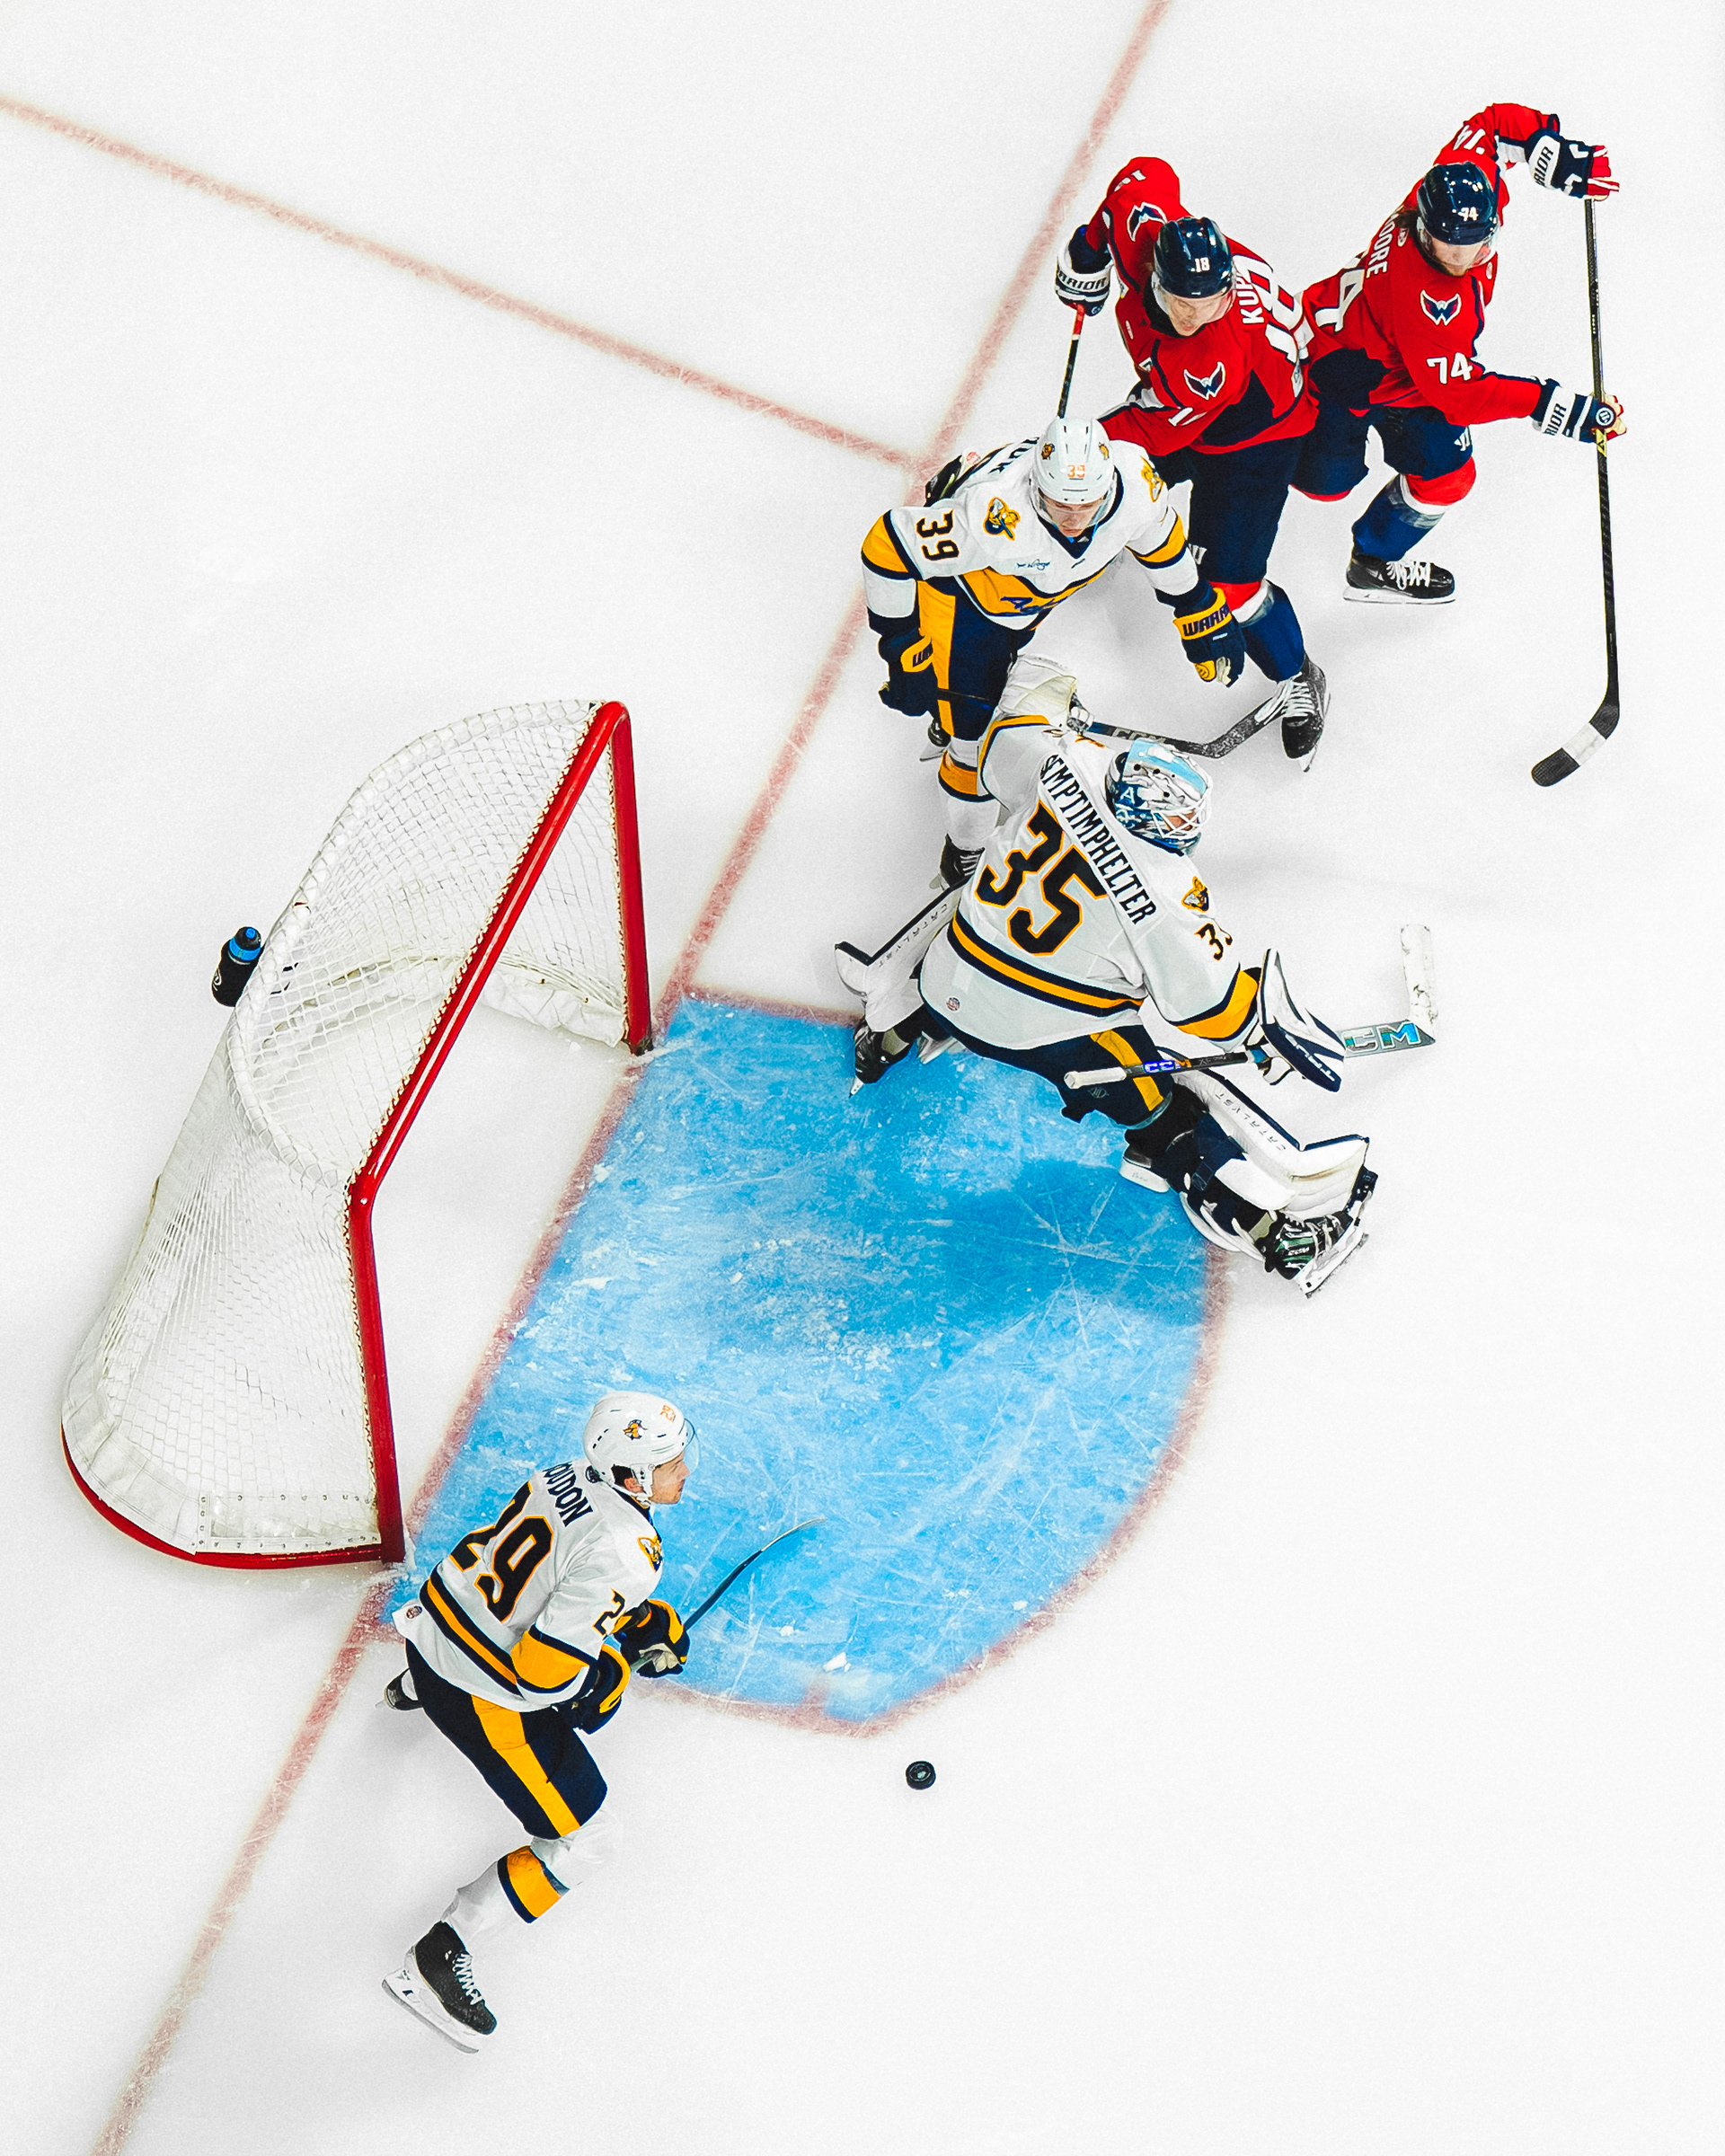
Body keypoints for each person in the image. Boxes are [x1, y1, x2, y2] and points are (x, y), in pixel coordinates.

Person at [849, 657, 1376, 1294]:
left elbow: (1013, 721)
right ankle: (1277, 1236)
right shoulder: (1166, 892)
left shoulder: (1066, 767)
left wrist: (1061, 704)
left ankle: (882, 1043)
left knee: (965, 955)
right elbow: (1209, 1011)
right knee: (1171, 1110)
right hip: (1043, 1035)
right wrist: (1263, 1033)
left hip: (946, 977)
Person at [381, 1392, 697, 2049]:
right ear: (635, 1476)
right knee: (589, 1840)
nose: (685, 1471)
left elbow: (552, 1570)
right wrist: (610, 1676)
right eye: (670, 1463)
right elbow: (546, 1681)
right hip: (473, 1696)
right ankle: (439, 1956)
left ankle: (413, 1688)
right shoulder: (630, 1552)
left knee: (477, 1655)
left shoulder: (568, 1473)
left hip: (429, 1635)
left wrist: (631, 1618)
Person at [862, 413, 1245, 887]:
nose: (1073, 520)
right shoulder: (995, 515)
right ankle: (963, 851)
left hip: (1021, 603)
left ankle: (950, 719)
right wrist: (903, 646)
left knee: (991, 679)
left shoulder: (1136, 486)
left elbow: (1160, 541)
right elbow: (887, 546)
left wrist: (1198, 606)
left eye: (1087, 505)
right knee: (972, 744)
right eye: (1059, 503)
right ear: (1035, 487)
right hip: (963, 605)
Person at [1296, 104, 1625, 601]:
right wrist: (1552, 404)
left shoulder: (1455, 184)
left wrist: (1545, 145)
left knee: (1448, 477)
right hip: (1337, 366)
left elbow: (1490, 125)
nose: (1459, 259)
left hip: (1408, 372)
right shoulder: (1427, 300)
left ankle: (1372, 564)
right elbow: (1461, 394)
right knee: (1324, 483)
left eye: (1473, 245)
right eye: (1445, 245)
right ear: (1424, 228)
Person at [1055, 159, 1326, 759]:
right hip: (1196, 409)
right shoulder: (1147, 232)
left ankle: (1298, 676)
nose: (1195, 316)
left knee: (1230, 587)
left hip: (1257, 440)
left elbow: (1153, 428)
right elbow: (1139, 177)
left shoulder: (1208, 357)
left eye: (1210, 303)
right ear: (1158, 275)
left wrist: (1076, 447)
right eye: (1183, 303)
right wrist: (1088, 250)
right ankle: (1098, 535)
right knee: (1101, 484)